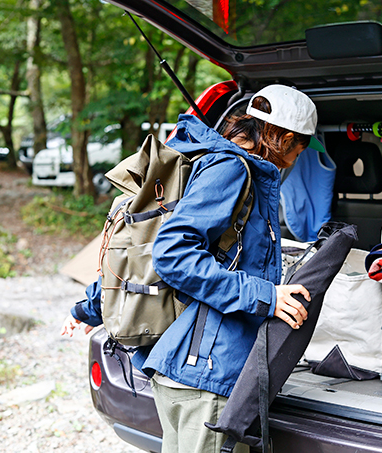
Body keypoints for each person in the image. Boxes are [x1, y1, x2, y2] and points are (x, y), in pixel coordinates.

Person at [61, 84, 318, 453]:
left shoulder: (207, 160)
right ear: (286, 138)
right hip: (206, 376)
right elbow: (171, 254)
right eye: (297, 150)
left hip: (187, 367)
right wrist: (266, 296)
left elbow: (145, 247)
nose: (294, 161)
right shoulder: (231, 169)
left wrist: (88, 308)